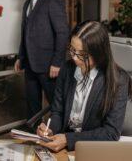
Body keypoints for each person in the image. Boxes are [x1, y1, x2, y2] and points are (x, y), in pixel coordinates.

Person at [37, 21, 132, 151]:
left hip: (91, 148)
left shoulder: (119, 80)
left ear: (99, 53)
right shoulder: (67, 68)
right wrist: (50, 129)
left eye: (81, 54)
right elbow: (58, 111)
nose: (74, 58)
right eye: (72, 49)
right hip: (62, 144)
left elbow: (111, 132)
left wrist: (68, 139)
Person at [14, 0, 69, 119]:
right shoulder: (27, 4)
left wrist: (57, 62)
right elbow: (25, 34)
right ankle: (34, 134)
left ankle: (61, 135)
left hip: (49, 66)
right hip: (30, 65)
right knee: (32, 104)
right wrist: (20, 57)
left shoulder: (53, 0)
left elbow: (63, 33)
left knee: (56, 104)